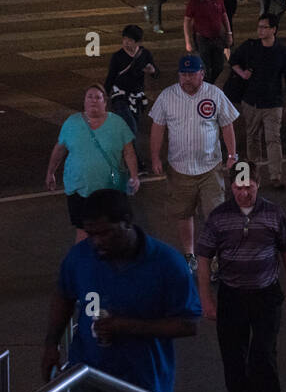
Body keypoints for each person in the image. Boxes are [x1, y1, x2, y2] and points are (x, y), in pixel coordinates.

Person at [41, 189, 201, 392]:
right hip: (90, 371)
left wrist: (127, 326)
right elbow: (63, 294)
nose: (97, 242)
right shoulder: (81, 256)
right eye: (90, 234)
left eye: (104, 233)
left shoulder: (167, 264)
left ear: (127, 222)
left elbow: (188, 323)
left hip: (144, 378)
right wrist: (51, 343)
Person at [194, 160, 286, 392]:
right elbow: (204, 258)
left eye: (249, 187)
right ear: (231, 187)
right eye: (239, 188)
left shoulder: (274, 214)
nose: (244, 193)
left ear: (258, 184)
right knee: (233, 354)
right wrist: (206, 299)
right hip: (232, 295)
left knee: (264, 353)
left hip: (266, 295)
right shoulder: (218, 218)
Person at [149, 54, 240, 270]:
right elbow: (157, 128)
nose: (187, 79)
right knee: (184, 213)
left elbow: (227, 124)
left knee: (215, 216)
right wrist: (155, 157)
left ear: (202, 74)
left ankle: (216, 258)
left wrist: (232, 155)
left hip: (210, 167)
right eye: (183, 74)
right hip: (180, 168)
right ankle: (189, 254)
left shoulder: (214, 94)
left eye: (191, 74)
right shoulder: (167, 97)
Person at [46, 85, 141, 241]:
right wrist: (50, 172)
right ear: (84, 101)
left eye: (98, 97)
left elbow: (128, 152)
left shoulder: (117, 124)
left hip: (109, 190)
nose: (93, 101)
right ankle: (84, 263)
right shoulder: (72, 123)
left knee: (111, 230)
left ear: (105, 102)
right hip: (79, 188)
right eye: (89, 97)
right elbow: (60, 149)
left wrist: (134, 175)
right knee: (83, 231)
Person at [229, 14, 286, 189]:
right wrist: (242, 73)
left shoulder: (281, 51)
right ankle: (253, 176)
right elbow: (233, 61)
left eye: (264, 27)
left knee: (273, 139)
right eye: (259, 26)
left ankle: (275, 176)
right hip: (251, 102)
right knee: (252, 138)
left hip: (273, 104)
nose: (260, 30)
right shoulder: (250, 47)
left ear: (274, 29)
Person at [103, 24, 158, 153]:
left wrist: (152, 70)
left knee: (133, 128)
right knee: (130, 128)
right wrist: (104, 94)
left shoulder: (145, 54)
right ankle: (135, 161)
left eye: (130, 40)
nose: (126, 43)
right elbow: (111, 76)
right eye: (124, 39)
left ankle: (127, 158)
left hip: (136, 98)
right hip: (120, 97)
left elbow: (156, 73)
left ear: (137, 42)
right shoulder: (117, 56)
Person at [184, 0, 233, 85]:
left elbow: (224, 16)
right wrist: (188, 41)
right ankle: (206, 86)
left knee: (219, 67)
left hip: (218, 38)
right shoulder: (194, 2)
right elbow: (186, 22)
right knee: (205, 67)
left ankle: (208, 84)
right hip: (202, 39)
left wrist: (229, 33)